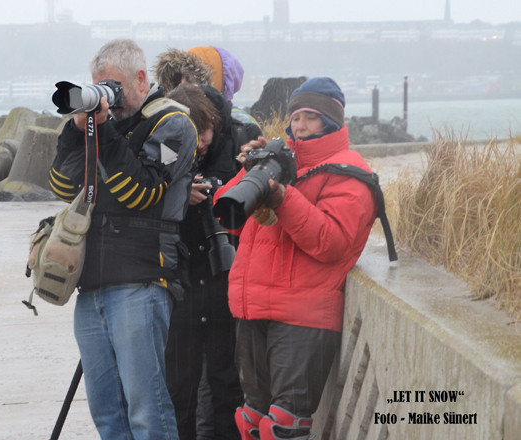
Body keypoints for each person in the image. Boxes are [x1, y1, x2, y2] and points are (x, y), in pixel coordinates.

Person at [48, 38, 198, 440]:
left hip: (141, 282)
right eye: (99, 87)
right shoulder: (102, 126)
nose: (107, 98)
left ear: (141, 78)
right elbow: (62, 185)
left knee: (146, 410)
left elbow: (142, 192)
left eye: (112, 87)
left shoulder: (175, 126)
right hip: (92, 285)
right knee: (107, 413)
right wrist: (80, 130)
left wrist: (106, 130)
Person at [214, 77, 378, 440]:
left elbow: (331, 242)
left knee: (283, 427)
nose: (299, 125)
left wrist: (282, 199)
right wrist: (250, 172)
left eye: (310, 117)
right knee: (251, 421)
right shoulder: (279, 161)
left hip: (302, 316)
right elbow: (226, 216)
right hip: (252, 308)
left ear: (331, 122)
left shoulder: (349, 172)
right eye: (296, 116)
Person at [154, 49, 262, 440]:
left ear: (215, 124)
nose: (197, 144)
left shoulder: (236, 139)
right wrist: (179, 190)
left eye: (204, 134)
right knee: (177, 385)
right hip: (178, 279)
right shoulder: (166, 137)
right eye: (189, 136)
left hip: (223, 276)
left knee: (226, 382)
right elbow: (152, 188)